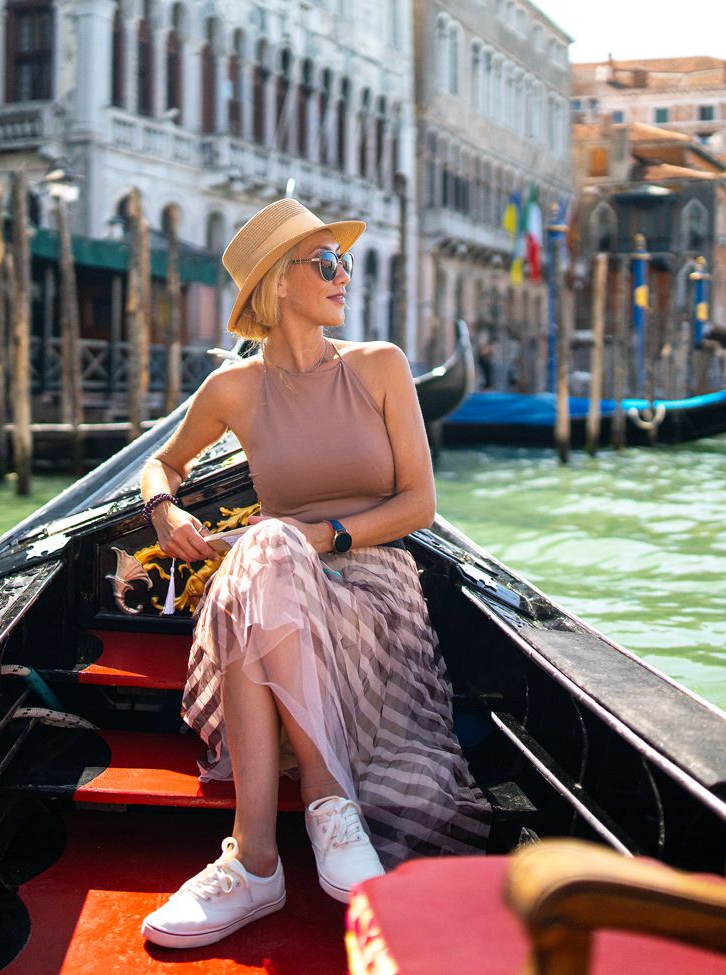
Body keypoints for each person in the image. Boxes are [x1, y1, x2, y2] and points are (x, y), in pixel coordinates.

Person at [138, 199, 489, 949]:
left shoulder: (381, 365)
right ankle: (288, 838)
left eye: (344, 263)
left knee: (269, 545)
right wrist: (165, 512)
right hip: (279, 584)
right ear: (277, 282)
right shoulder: (233, 390)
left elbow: (420, 505)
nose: (343, 277)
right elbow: (161, 461)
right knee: (266, 551)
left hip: (374, 585)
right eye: (325, 263)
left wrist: (320, 534)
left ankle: (276, 842)